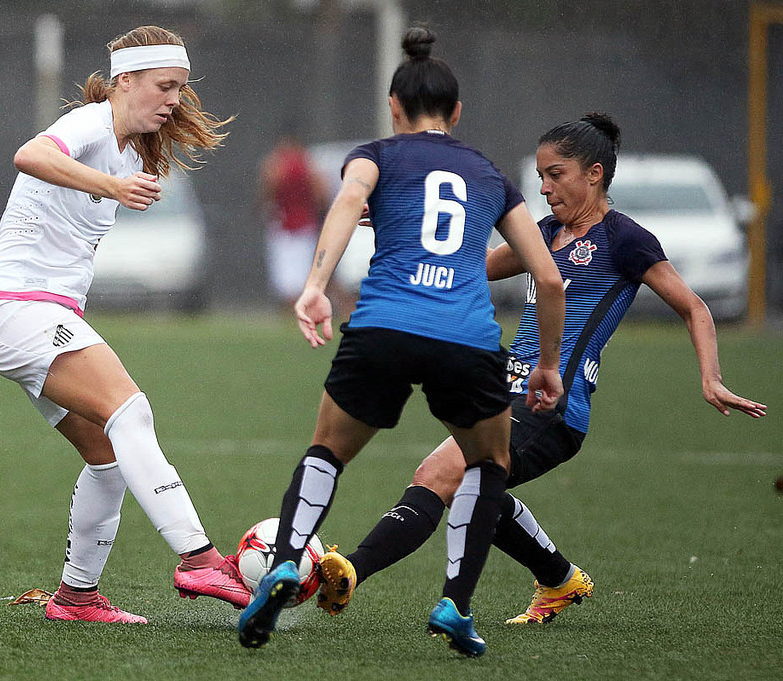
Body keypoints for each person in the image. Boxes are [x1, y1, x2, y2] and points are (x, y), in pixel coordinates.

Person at [315, 112, 767, 628]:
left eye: (557, 175)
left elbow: (695, 307)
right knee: (468, 485)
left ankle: (351, 571)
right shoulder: (546, 232)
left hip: (554, 406)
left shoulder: (625, 240)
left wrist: (710, 378)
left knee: (441, 476)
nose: (545, 187)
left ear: (593, 174)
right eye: (542, 176)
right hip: (505, 390)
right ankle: (559, 578)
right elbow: (471, 266)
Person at [236, 26, 566, 656]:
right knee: (489, 463)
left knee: (327, 450)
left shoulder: (376, 156)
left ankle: (284, 562)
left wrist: (314, 284)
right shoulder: (491, 175)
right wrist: (547, 364)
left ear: (393, 107)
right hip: (466, 338)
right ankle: (454, 604)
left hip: (384, 325)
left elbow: (347, 200)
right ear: (457, 113)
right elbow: (547, 279)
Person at [0, 25, 249, 625]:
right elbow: (30, 155)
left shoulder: (127, 143)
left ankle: (76, 598)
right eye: (164, 86)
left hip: (28, 313)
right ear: (125, 81)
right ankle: (198, 557)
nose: (174, 99)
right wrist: (112, 187)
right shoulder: (93, 122)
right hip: (19, 308)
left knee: (107, 454)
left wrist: (118, 178)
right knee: (132, 412)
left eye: (180, 87)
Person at [257, 133, 330, 311]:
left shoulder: (276, 165)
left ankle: (294, 310)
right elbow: (322, 193)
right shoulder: (308, 163)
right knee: (302, 274)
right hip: (305, 225)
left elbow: (267, 190)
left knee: (288, 279)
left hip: (286, 226)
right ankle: (300, 310)